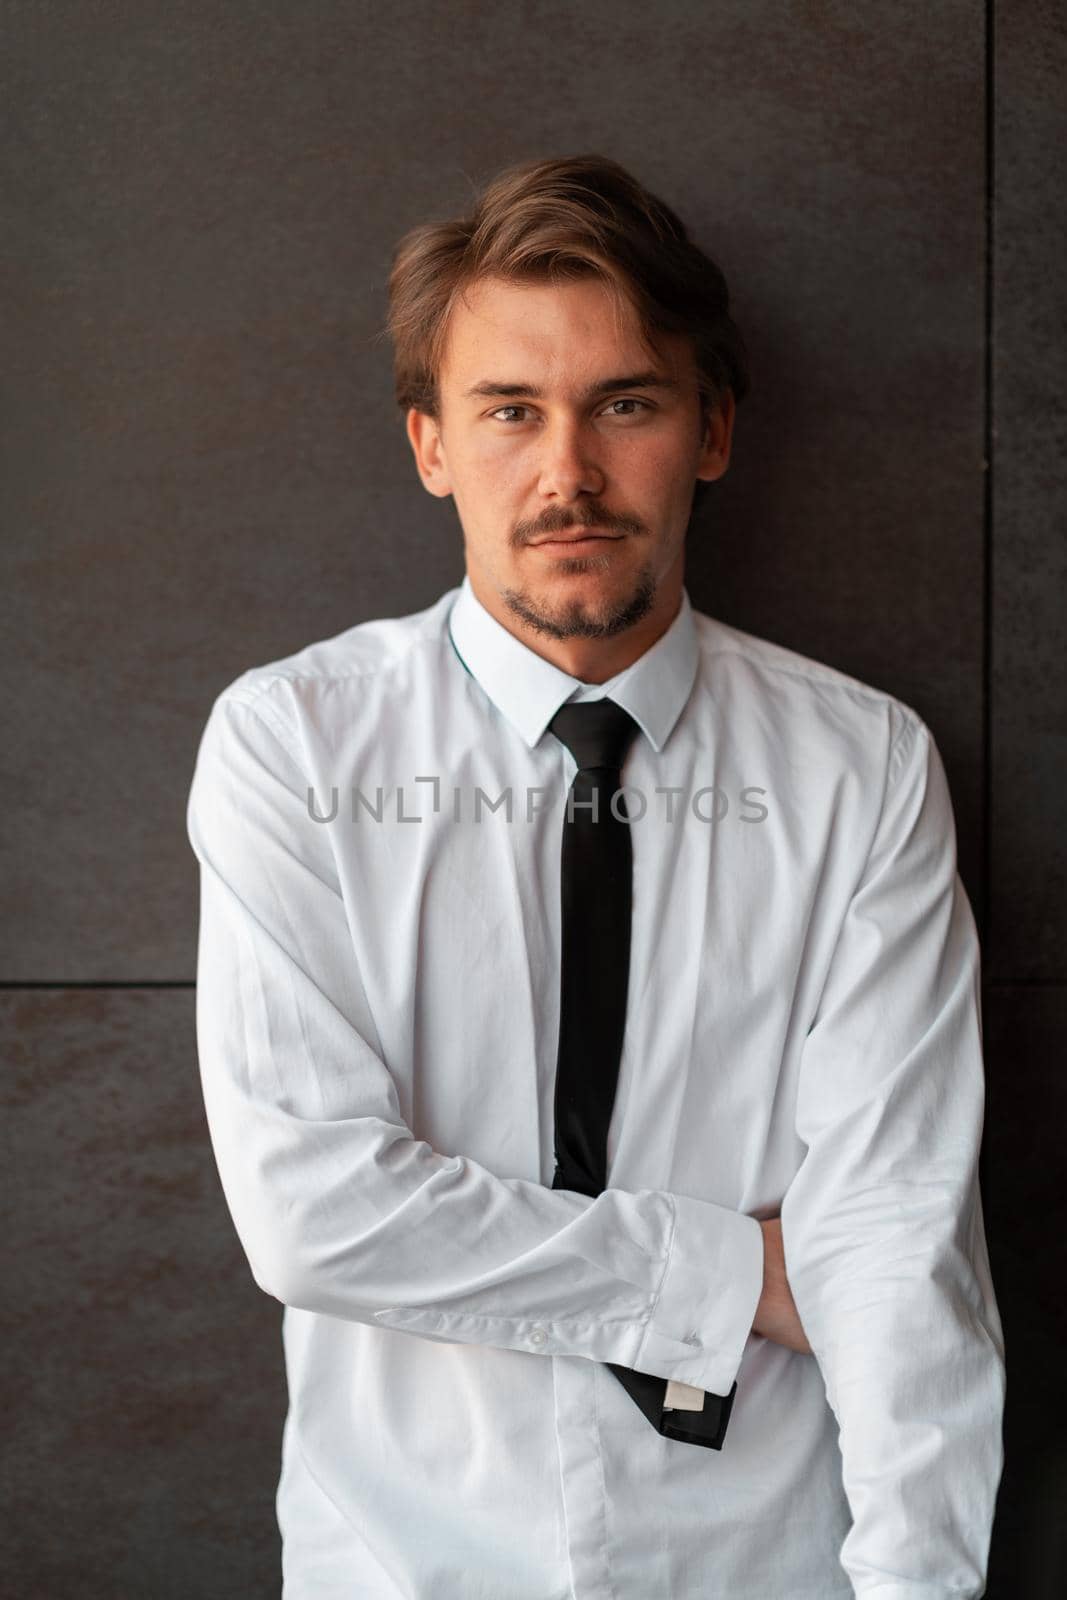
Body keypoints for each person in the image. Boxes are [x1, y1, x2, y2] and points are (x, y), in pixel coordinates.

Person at [186, 153, 1006, 1598]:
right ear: (432, 443)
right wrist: (731, 1276)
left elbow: (893, 1249)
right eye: (510, 411)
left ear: (712, 430)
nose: (565, 471)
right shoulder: (292, 746)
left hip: (766, 1563)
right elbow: (315, 1212)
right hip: (401, 1565)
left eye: (624, 403)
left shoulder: (862, 769)